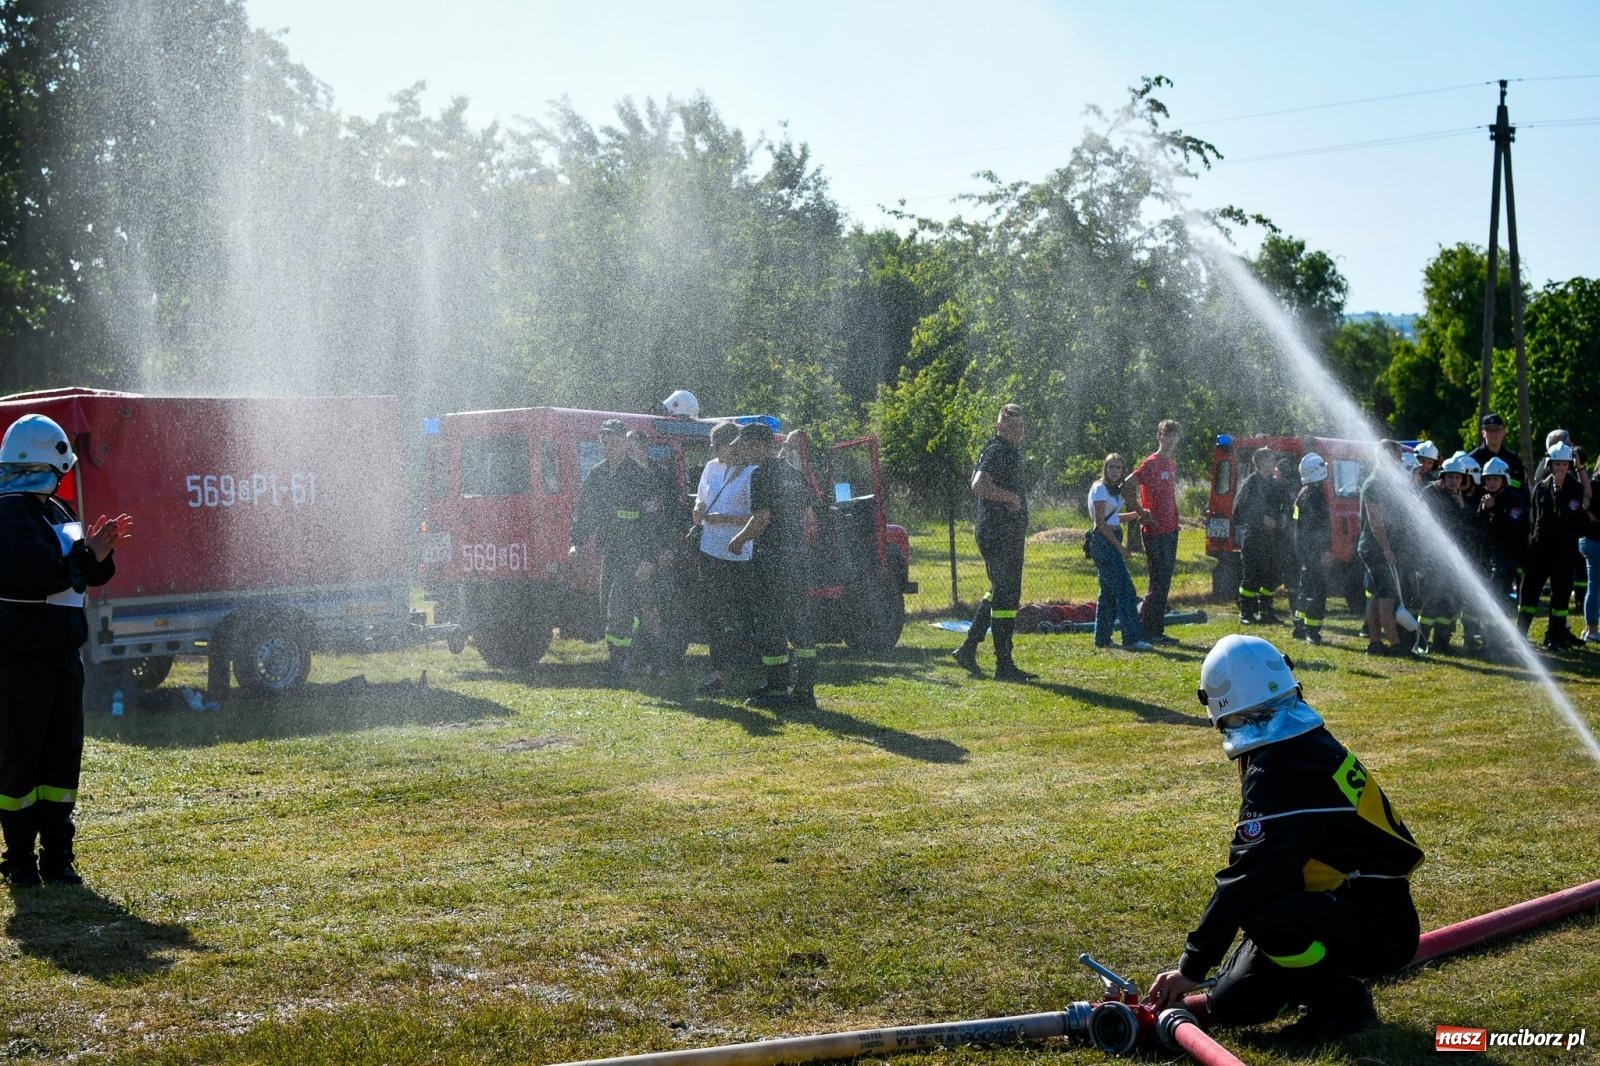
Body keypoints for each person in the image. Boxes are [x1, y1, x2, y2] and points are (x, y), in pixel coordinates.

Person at [1146, 635, 1423, 1044]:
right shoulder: (1306, 745)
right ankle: (1309, 980)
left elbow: (1247, 880)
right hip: (1363, 910)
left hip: (1375, 928)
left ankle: (1342, 1003)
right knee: (1231, 1003)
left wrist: (1191, 967)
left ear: (1223, 709)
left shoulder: (1280, 769)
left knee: (1265, 915)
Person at [0, 413, 131, 887]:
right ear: (49, 464)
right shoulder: (8, 516)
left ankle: (58, 857)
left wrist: (102, 551)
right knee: (21, 759)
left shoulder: (54, 510)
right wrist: (87, 554)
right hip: (21, 662)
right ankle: (20, 860)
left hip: (62, 660)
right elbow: (38, 576)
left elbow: (85, 573)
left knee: (61, 758)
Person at [729, 424, 818, 709]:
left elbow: (761, 519)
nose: (742, 451)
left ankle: (777, 688)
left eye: (745, 445)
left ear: (758, 445)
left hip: (772, 561)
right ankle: (804, 691)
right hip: (797, 559)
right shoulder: (793, 473)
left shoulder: (761, 474)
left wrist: (738, 540)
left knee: (770, 624)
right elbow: (809, 517)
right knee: (799, 624)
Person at [951, 405, 1037, 682]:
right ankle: (1004, 664)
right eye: (1011, 426)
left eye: (1020, 426)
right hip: (998, 535)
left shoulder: (1006, 451)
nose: (1017, 431)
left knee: (999, 591)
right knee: (1006, 596)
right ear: (999, 426)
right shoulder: (998, 451)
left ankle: (968, 648)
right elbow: (978, 485)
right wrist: (1010, 498)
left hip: (1006, 534)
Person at [569, 418, 658, 675]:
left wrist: (648, 559)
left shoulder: (641, 476)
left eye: (612, 440)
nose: (606, 445)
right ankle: (631, 655)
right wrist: (576, 542)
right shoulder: (597, 474)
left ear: (624, 443)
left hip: (636, 553)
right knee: (607, 605)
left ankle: (621, 663)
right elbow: (585, 511)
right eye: (603, 441)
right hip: (611, 551)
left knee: (618, 607)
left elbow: (653, 522)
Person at [692, 421, 754, 693]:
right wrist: (699, 508)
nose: (717, 452)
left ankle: (744, 664)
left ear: (735, 446)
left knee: (738, 613)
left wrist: (726, 518)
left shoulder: (751, 472)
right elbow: (701, 497)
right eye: (714, 447)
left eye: (721, 447)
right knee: (713, 612)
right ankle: (717, 669)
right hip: (709, 548)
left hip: (738, 552)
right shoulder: (710, 467)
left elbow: (757, 517)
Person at [624, 430, 691, 678]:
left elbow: (677, 516)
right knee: (638, 610)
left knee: (660, 610)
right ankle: (639, 660)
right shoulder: (623, 477)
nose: (628, 453)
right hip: (631, 556)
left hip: (660, 555)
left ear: (644, 448)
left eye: (632, 448)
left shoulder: (661, 476)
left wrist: (669, 550)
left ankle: (664, 662)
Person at [1518, 441, 1587, 650]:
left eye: (1564, 464)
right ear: (1550, 465)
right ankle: (1520, 635)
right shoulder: (1541, 488)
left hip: (1565, 552)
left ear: (1569, 465)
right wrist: (1554, 490)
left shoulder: (1575, 489)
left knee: (1561, 595)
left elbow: (1573, 517)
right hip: (1541, 550)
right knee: (1529, 593)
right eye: (1557, 464)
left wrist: (1561, 492)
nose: (1560, 469)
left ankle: (1555, 636)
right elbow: (1537, 519)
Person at [1087, 454, 1154, 652]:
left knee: (1108, 593)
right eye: (1111, 467)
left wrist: (1137, 514)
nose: (1115, 471)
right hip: (1104, 542)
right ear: (1105, 469)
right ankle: (1131, 639)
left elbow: (1114, 518)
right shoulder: (1100, 489)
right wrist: (1120, 547)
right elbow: (1101, 523)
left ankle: (1102, 638)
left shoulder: (1113, 491)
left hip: (1110, 539)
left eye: (1118, 468)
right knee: (1126, 591)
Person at [1130, 420, 1182, 645]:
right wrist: (1141, 512)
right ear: (1159, 436)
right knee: (1158, 582)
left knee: (1165, 582)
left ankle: (1157, 630)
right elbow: (1127, 486)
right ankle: (1144, 629)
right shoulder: (1150, 463)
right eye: (1166, 434)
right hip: (1155, 531)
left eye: (1174, 435)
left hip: (1171, 529)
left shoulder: (1171, 464)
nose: (1170, 439)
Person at [1357, 440, 1408, 656]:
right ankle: (1396, 645)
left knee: (1377, 596)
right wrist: (1387, 549)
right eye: (1397, 458)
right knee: (1386, 596)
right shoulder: (1374, 484)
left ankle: (1375, 643)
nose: (1399, 463)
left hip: (1377, 548)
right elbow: (1375, 522)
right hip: (1377, 549)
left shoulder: (1385, 483)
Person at [1232, 448, 1289, 625]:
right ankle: (1246, 613)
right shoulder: (1250, 484)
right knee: (1252, 576)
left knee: (1272, 575)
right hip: (1254, 537)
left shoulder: (1276, 484)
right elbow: (1239, 511)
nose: (1274, 463)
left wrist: (1283, 516)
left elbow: (1285, 503)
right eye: (1271, 460)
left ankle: (1266, 611)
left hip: (1273, 539)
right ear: (1260, 462)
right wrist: (1261, 519)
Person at [1289, 454, 1333, 646]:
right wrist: (1324, 550)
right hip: (1314, 551)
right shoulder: (1315, 497)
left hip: (1304, 550)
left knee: (1305, 588)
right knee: (1317, 591)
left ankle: (1299, 625)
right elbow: (1317, 528)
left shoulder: (1303, 494)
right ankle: (1312, 631)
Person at [1469, 413, 1526, 492]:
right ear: (1483, 433)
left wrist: (1506, 481)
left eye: (1497, 429)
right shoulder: (1472, 459)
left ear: (1504, 432)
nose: (1494, 433)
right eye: (1489, 430)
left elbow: (1520, 485)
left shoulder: (1513, 459)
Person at [1581, 454, 1600, 644]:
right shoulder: (1595, 484)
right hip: (1595, 540)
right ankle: (1592, 629)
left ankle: (1589, 628)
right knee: (1595, 587)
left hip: (1589, 540)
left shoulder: (1592, 482)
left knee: (1593, 586)